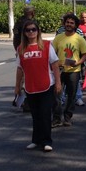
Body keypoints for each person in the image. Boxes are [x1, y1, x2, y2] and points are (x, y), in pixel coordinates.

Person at [15, 19, 62, 153]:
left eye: (33, 29)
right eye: (28, 30)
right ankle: (36, 140)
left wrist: (58, 82)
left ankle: (47, 141)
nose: (31, 32)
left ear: (38, 31)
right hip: (30, 87)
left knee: (45, 114)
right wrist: (17, 86)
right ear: (24, 33)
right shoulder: (21, 49)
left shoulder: (47, 45)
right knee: (35, 115)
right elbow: (19, 69)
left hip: (47, 85)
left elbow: (55, 64)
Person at [52, 13, 86, 127]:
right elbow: (52, 53)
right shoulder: (58, 37)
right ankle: (57, 118)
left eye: (72, 23)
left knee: (71, 96)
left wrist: (78, 62)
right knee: (56, 95)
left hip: (74, 71)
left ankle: (67, 117)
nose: (69, 24)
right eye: (67, 22)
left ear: (75, 25)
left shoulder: (79, 39)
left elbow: (85, 54)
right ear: (64, 24)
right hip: (60, 71)